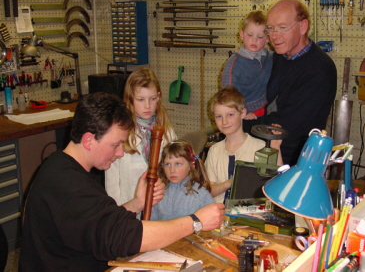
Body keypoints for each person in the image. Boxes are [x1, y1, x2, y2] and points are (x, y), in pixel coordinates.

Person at [19, 92, 225, 272]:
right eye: (116, 144)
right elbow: (126, 237)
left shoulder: (62, 166)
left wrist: (136, 204)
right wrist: (195, 221)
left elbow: (98, 222)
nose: (119, 153)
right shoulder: (68, 184)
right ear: (89, 140)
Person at [263, 0, 337, 166]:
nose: (274, 36)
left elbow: (287, 125)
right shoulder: (280, 57)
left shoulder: (319, 69)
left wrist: (241, 124)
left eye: (282, 28)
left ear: (303, 27)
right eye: (270, 28)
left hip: (298, 163)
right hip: (272, 149)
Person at [105, 68, 176, 207]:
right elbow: (112, 180)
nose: (148, 105)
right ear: (130, 99)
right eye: (140, 99)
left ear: (159, 96)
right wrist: (117, 213)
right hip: (129, 206)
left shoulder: (167, 130)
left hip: (161, 206)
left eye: (153, 99)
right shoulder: (120, 132)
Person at [205, 86, 266, 204]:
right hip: (218, 215)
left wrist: (276, 148)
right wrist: (230, 182)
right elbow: (208, 191)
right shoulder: (214, 151)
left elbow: (274, 185)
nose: (224, 121)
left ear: (242, 113)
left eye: (230, 115)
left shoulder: (260, 147)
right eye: (219, 116)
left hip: (250, 216)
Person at [221, 10, 273, 134]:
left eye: (260, 37)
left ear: (267, 39)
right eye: (250, 35)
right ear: (241, 35)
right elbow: (229, 95)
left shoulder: (271, 57)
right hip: (245, 115)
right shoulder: (234, 63)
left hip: (266, 112)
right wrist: (242, 112)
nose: (254, 40)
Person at [151, 140, 214, 221]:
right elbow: (151, 222)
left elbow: (211, 222)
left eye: (178, 164)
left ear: (191, 165)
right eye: (167, 164)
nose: (172, 170)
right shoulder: (159, 193)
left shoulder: (200, 194)